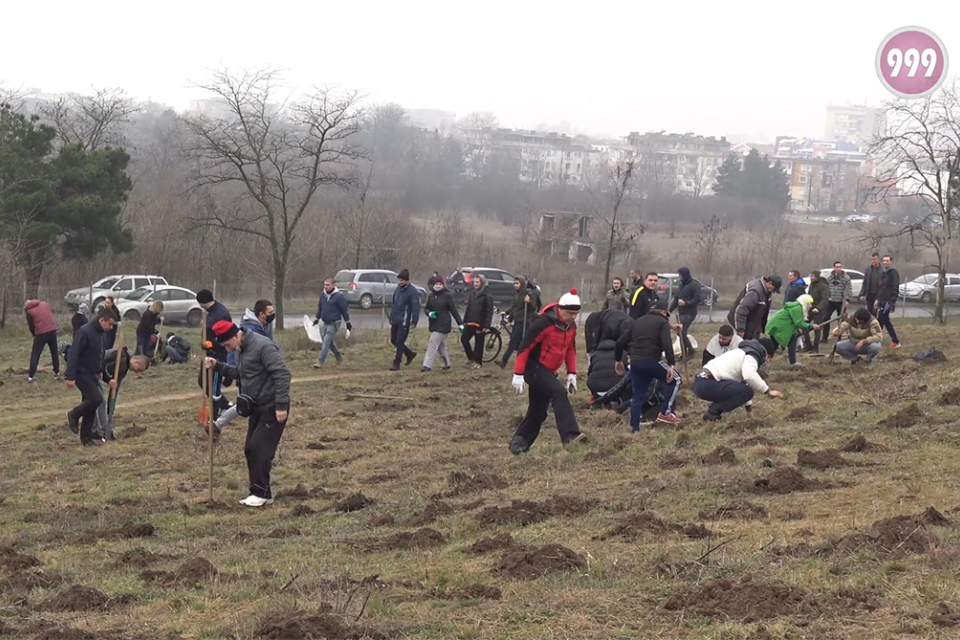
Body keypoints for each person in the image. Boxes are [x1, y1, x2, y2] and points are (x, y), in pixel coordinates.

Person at [205, 320, 291, 508]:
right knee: (250, 449)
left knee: (260, 447)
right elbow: (242, 373)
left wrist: (281, 405)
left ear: (237, 335)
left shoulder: (263, 346)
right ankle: (260, 492)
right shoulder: (240, 350)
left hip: (273, 406)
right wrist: (217, 366)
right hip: (255, 407)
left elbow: (282, 374)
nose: (228, 349)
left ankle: (260, 494)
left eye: (228, 345)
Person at [510, 289, 587, 454]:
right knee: (559, 392)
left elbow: (570, 350)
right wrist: (518, 373)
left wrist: (572, 373)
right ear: (560, 309)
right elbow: (525, 347)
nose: (573, 317)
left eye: (576, 314)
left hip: (550, 371)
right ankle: (571, 436)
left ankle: (519, 443)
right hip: (534, 368)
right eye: (569, 313)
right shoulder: (542, 323)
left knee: (538, 412)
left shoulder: (570, 327)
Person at [615, 299, 681, 430]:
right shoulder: (662, 322)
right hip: (652, 361)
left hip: (635, 363)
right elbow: (667, 344)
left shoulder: (637, 322)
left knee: (637, 395)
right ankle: (666, 413)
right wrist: (671, 365)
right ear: (663, 312)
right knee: (676, 379)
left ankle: (634, 427)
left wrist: (617, 360)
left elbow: (620, 342)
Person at [215, 300, 277, 435]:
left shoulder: (266, 325)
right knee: (245, 403)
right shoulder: (251, 329)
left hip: (261, 374)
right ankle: (217, 424)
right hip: (249, 373)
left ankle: (218, 424)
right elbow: (234, 349)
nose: (273, 315)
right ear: (261, 314)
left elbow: (270, 347)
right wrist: (233, 371)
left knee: (247, 403)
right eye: (270, 312)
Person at [694, 337, 782, 421]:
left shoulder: (741, 353)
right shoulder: (751, 356)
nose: (768, 361)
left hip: (701, 382)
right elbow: (750, 375)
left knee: (744, 390)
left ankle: (712, 412)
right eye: (769, 357)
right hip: (708, 383)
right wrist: (768, 391)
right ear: (765, 353)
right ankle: (712, 413)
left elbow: (742, 386)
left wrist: (749, 411)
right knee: (748, 391)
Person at [65, 308, 115, 446]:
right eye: (109, 324)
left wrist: (107, 378)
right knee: (96, 399)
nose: (111, 328)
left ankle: (86, 439)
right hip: (81, 373)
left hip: (93, 374)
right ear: (101, 320)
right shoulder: (85, 331)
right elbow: (73, 353)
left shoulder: (101, 335)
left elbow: (100, 359)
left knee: (91, 405)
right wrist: (70, 376)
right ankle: (73, 415)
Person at [94, 348, 151, 441]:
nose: (136, 372)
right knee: (98, 401)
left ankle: (102, 429)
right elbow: (100, 361)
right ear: (136, 362)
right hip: (91, 371)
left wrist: (111, 407)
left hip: (97, 375)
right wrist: (107, 379)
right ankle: (97, 430)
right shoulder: (120, 356)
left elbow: (115, 388)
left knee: (101, 402)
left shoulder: (124, 368)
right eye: (138, 369)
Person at [196, 289, 233, 419]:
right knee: (203, 382)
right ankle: (226, 405)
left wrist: (212, 344)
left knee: (214, 387)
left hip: (218, 355)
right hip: (209, 353)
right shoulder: (211, 312)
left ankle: (215, 420)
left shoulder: (220, 314)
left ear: (202, 302)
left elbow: (226, 335)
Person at [765, 294, 821, 369]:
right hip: (779, 327)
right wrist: (811, 326)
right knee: (773, 345)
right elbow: (799, 323)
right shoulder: (797, 308)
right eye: (809, 303)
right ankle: (764, 360)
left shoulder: (797, 307)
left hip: (782, 327)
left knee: (791, 341)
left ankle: (793, 362)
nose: (810, 306)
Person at [496, 276, 539, 369]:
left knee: (515, 341)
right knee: (515, 342)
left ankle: (504, 361)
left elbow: (533, 308)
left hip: (525, 322)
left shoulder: (528, 294)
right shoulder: (517, 295)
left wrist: (529, 302)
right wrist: (509, 318)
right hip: (518, 321)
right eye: (514, 283)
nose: (515, 285)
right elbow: (514, 308)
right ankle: (512, 360)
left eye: (517, 283)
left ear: (522, 284)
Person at [422, 277, 462, 372]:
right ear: (434, 285)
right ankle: (447, 364)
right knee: (441, 347)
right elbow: (426, 308)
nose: (438, 286)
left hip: (443, 324)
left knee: (432, 342)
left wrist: (460, 323)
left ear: (443, 285)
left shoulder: (447, 295)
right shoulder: (431, 296)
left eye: (440, 284)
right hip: (434, 324)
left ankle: (427, 365)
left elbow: (453, 310)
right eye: (437, 284)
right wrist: (429, 313)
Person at [727, 275, 781, 340]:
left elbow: (763, 311)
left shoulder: (767, 292)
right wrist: (740, 329)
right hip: (740, 323)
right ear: (769, 283)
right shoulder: (755, 292)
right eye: (774, 289)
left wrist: (761, 327)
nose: (774, 291)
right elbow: (742, 310)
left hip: (752, 325)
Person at [313, 278, 351, 367]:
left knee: (326, 342)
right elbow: (320, 308)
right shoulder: (323, 295)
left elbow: (344, 310)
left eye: (328, 285)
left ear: (333, 285)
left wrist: (348, 322)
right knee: (329, 342)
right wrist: (317, 319)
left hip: (334, 322)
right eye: (325, 285)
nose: (326, 287)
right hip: (325, 322)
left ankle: (320, 361)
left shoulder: (339, 296)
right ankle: (339, 357)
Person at [389, 269, 420, 371]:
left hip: (404, 320)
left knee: (400, 341)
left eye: (402, 280)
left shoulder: (412, 292)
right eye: (399, 280)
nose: (400, 282)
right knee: (394, 340)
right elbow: (394, 304)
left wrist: (414, 320)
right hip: (396, 319)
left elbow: (416, 307)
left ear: (407, 280)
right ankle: (409, 354)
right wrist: (391, 316)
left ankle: (397, 363)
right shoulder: (397, 290)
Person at [461, 273, 494, 369]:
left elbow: (489, 312)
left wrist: (486, 326)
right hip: (470, 322)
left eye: (477, 282)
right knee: (464, 339)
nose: (475, 284)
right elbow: (468, 308)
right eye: (474, 282)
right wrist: (465, 321)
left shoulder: (487, 295)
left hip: (480, 323)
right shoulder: (472, 294)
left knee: (479, 343)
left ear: (482, 283)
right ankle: (471, 358)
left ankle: (478, 362)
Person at [24, 299, 61, 383]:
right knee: (54, 352)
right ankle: (57, 372)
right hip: (52, 330)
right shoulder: (45, 304)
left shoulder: (29, 312)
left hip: (41, 333)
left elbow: (31, 326)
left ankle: (31, 376)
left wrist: (34, 334)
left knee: (35, 354)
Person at [668, 267, 700, 357]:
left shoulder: (694, 285)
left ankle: (688, 352)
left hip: (690, 312)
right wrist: (669, 311)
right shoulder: (681, 285)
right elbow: (676, 299)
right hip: (681, 312)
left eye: (680, 275)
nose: (679, 277)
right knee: (680, 332)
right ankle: (687, 350)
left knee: (682, 332)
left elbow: (698, 299)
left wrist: (686, 303)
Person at [821, 262, 852, 343]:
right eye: (837, 267)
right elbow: (826, 288)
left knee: (841, 320)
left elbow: (849, 290)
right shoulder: (830, 278)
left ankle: (839, 337)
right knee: (826, 318)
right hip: (831, 301)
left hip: (841, 302)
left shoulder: (846, 278)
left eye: (840, 267)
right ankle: (824, 337)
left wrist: (847, 300)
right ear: (834, 268)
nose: (838, 268)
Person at [875, 255, 901, 348]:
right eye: (884, 261)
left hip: (888, 301)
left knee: (884, 319)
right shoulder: (882, 272)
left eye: (887, 261)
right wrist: (877, 299)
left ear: (891, 262)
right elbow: (880, 287)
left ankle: (896, 341)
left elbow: (895, 288)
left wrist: (892, 301)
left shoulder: (893, 273)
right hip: (881, 300)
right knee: (880, 321)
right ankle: (877, 340)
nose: (885, 262)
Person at [804, 270, 830, 353]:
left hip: (819, 310)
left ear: (817, 276)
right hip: (811, 308)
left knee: (817, 329)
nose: (811, 278)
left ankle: (816, 347)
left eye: (812, 276)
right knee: (804, 325)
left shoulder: (823, 285)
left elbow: (825, 299)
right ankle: (808, 345)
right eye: (810, 276)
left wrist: (819, 308)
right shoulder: (812, 284)